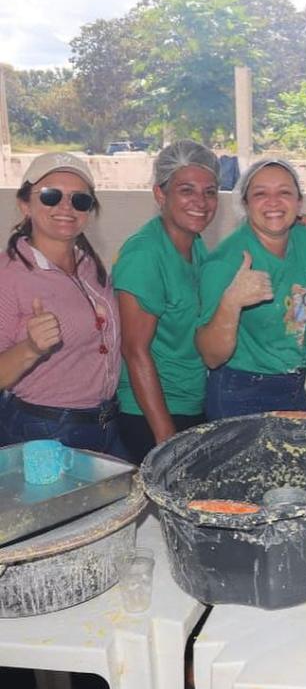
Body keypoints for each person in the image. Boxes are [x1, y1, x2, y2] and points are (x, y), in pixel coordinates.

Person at [0, 152, 124, 454]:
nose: (65, 207)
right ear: (25, 204)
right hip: (45, 430)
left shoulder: (89, 266)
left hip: (104, 423)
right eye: (50, 196)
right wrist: (31, 349)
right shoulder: (8, 275)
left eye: (80, 200)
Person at [112, 140, 220, 463]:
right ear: (161, 194)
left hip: (190, 403)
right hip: (151, 414)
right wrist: (165, 437)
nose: (200, 201)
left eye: (210, 191)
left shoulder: (196, 246)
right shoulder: (145, 254)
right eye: (186, 190)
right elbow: (134, 350)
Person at [196, 158, 306, 418]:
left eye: (284, 193)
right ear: (245, 204)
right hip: (241, 392)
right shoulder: (226, 262)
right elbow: (211, 356)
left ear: (299, 201)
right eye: (260, 194)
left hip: (296, 388)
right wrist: (231, 303)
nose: (273, 202)